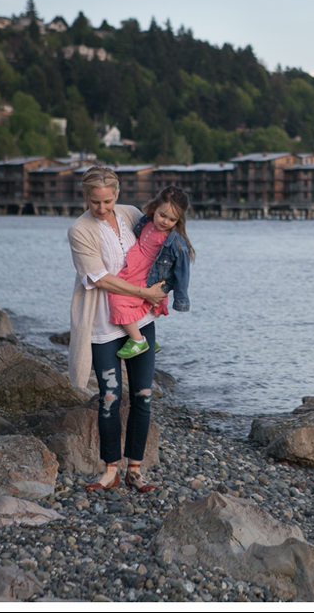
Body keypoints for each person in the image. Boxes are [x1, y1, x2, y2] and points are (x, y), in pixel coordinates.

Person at [67, 166, 169, 493]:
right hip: (102, 324)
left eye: (108, 200)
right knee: (110, 396)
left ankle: (135, 470)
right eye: (95, 201)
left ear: (118, 194)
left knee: (143, 395)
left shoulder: (130, 214)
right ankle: (110, 469)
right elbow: (100, 278)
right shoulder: (80, 230)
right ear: (85, 197)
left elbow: (158, 243)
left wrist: (168, 281)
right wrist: (144, 292)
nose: (102, 208)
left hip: (140, 321)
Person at [108, 185, 194, 359]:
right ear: (155, 207)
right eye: (162, 215)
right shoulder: (146, 221)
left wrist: (181, 299)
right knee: (128, 298)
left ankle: (138, 340)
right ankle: (147, 338)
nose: (165, 222)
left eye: (172, 219)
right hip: (134, 266)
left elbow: (183, 272)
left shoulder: (174, 240)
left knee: (118, 299)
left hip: (146, 274)